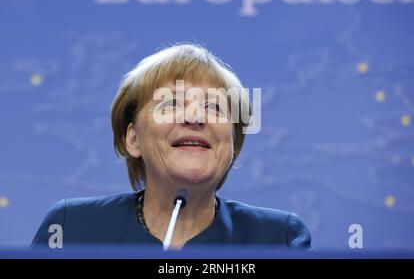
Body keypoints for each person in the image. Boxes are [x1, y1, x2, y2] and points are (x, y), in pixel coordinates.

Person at [32, 44, 311, 249]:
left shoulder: (279, 239)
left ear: (232, 144)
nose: (194, 117)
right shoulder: (72, 227)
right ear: (133, 139)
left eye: (213, 107)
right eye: (171, 104)